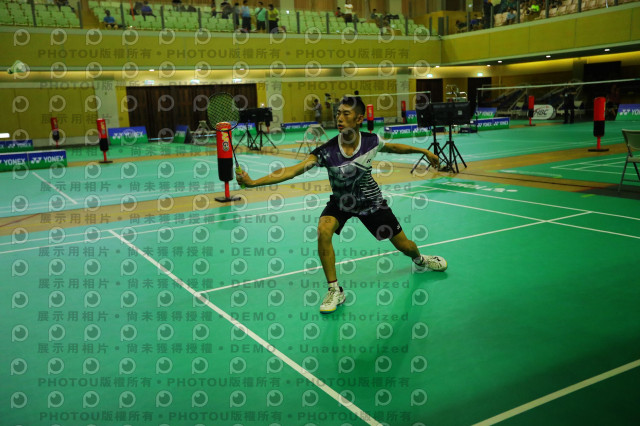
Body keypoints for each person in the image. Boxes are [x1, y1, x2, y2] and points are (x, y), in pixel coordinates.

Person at [236, 96, 448, 314]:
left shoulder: (371, 141)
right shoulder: (326, 151)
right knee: (323, 229)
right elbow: (293, 170)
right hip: (341, 202)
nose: (339, 118)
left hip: (371, 203)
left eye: (346, 114)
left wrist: (424, 151)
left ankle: (420, 260)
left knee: (405, 246)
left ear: (359, 119)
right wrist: (253, 183)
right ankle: (334, 290)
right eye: (338, 113)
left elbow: (394, 147)